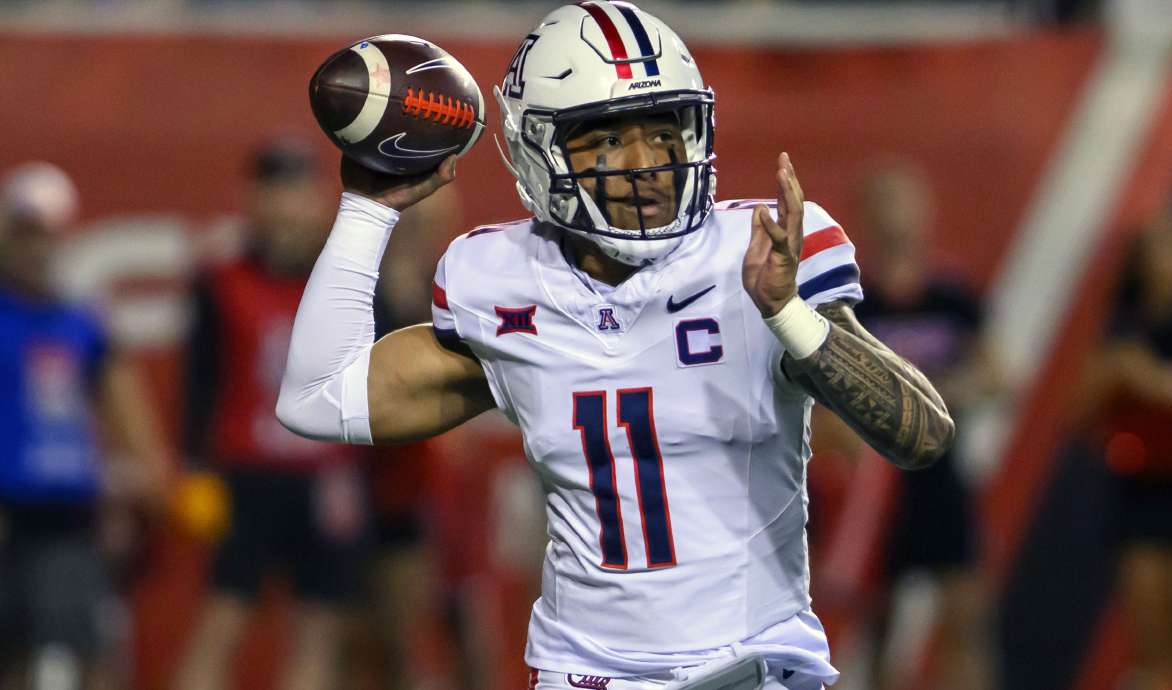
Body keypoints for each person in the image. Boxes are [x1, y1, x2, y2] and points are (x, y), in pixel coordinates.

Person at [276, 3, 953, 689]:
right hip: (587, 675)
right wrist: (367, 209)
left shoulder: (754, 256)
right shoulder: (500, 281)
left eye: (664, 133)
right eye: (605, 139)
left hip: (752, 666)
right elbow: (317, 397)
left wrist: (787, 315)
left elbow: (922, 434)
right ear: (539, 152)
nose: (645, 165)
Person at [173, 138, 371, 690]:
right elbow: (200, 379)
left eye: (298, 193)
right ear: (252, 200)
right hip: (249, 470)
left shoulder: (344, 280)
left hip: (327, 474)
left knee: (319, 626)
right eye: (275, 193)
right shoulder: (222, 280)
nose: (287, 207)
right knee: (223, 617)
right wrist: (193, 466)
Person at [0, 162, 170, 690]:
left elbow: (125, 406)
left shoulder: (82, 322)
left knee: (92, 653)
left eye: (46, 235)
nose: (36, 249)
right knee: (13, 654)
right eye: (25, 234)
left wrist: (151, 477)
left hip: (74, 513)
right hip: (8, 512)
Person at [850, 163, 1000, 690]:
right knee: (880, 623)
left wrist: (943, 394)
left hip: (938, 473)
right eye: (885, 204)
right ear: (864, 217)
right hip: (875, 486)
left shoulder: (951, 295)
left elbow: (995, 373)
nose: (897, 218)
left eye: (905, 203)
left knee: (965, 615)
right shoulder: (851, 302)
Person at [1075, 213, 1172, 690]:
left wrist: (1166, 385)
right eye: (1152, 252)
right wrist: (1124, 374)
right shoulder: (1126, 329)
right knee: (1152, 643)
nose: (1162, 263)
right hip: (1139, 491)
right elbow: (1080, 412)